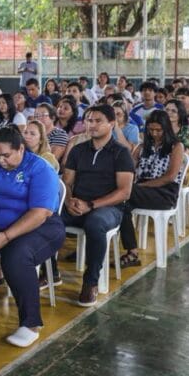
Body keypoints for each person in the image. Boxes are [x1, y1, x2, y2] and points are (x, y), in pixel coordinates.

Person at [0, 127, 64, 348]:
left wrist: (7, 236)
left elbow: (40, 213)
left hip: (40, 227)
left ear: (21, 149)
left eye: (6, 155)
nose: (0, 160)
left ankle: (31, 324)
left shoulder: (39, 168)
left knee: (16, 257)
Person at [60, 104, 135, 307]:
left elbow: (124, 192)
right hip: (78, 204)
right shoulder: (78, 150)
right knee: (48, 218)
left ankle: (90, 282)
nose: (91, 125)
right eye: (88, 120)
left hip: (108, 207)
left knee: (95, 224)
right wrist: (69, 201)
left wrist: (91, 205)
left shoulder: (120, 153)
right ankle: (48, 271)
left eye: (97, 121)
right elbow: (67, 182)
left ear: (112, 124)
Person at [118, 110, 184, 268]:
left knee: (123, 193)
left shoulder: (176, 146)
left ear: (166, 129)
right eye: (151, 129)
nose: (154, 133)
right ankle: (132, 252)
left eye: (158, 130)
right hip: (140, 190)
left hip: (165, 192)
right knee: (120, 205)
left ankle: (130, 252)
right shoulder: (141, 147)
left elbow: (169, 177)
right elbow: (130, 169)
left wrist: (139, 186)